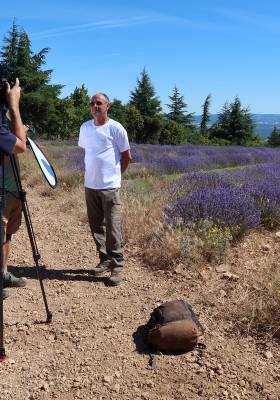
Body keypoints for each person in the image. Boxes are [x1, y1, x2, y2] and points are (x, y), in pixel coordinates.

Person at [78, 92, 132, 286]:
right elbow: (88, 153)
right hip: (90, 185)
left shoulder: (116, 128)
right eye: (92, 103)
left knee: (113, 227)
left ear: (107, 106)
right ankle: (104, 260)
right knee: (96, 226)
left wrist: (116, 175)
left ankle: (117, 267)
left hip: (110, 187)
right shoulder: (85, 128)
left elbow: (127, 156)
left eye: (99, 103)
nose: (95, 106)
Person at [0, 78, 27, 300]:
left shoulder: (3, 123)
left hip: (11, 189)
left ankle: (4, 273)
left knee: (7, 234)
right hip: (3, 189)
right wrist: (14, 105)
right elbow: (20, 146)